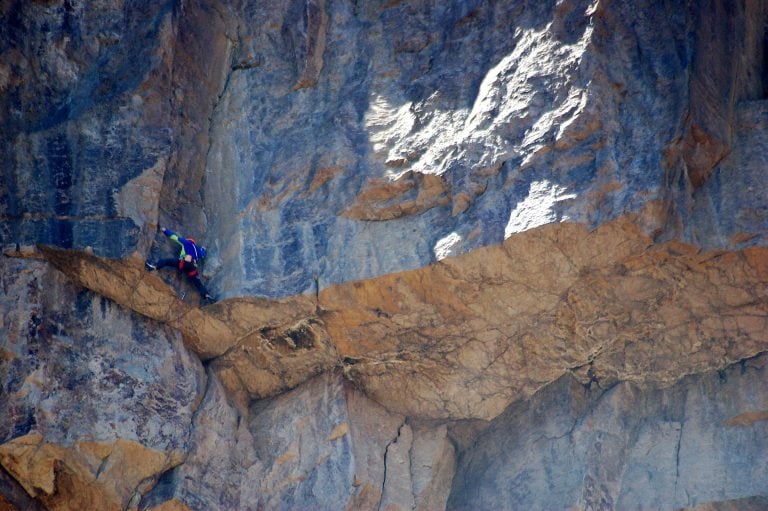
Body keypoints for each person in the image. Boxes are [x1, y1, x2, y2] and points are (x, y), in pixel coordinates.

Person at [145, 227, 214, 302]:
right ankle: (206, 295)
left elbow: (174, 237)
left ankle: (154, 267)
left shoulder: (185, 242)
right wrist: (203, 249)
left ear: (188, 240)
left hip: (184, 263)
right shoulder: (198, 250)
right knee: (197, 283)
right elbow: (203, 254)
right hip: (192, 267)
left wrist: (165, 231)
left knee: (166, 261)